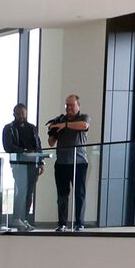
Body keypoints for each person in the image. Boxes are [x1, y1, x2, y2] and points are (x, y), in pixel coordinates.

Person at [46, 92, 93, 231]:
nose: (69, 108)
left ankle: (80, 223)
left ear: (78, 105)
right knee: (62, 195)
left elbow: (84, 125)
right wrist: (53, 130)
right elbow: (50, 143)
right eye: (67, 105)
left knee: (79, 193)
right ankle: (62, 224)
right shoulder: (59, 120)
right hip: (61, 163)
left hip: (79, 162)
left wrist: (65, 125)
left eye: (72, 105)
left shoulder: (83, 117)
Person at [0, 102, 42, 226]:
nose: (21, 116)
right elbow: (8, 146)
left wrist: (41, 162)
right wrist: (23, 151)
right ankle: (16, 218)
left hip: (33, 163)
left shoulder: (32, 128)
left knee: (30, 191)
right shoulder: (9, 128)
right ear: (14, 114)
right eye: (18, 114)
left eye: (23, 114)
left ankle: (25, 219)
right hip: (18, 164)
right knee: (21, 190)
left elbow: (38, 145)